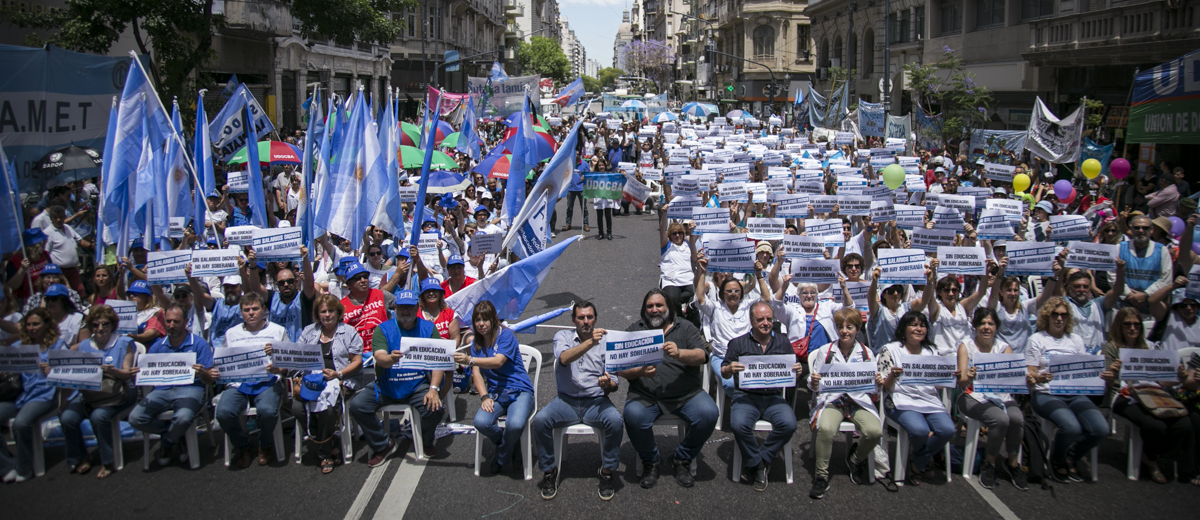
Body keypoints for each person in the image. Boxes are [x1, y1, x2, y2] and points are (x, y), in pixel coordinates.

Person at [620, 289, 717, 489]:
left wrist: (680, 353)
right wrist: (639, 371)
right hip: (646, 395)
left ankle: (682, 458)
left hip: (686, 395)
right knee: (633, 416)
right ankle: (651, 460)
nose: (655, 310)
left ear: (668, 308)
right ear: (644, 309)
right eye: (650, 306)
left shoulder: (686, 327)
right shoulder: (634, 331)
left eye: (659, 305)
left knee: (708, 413)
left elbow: (701, 355)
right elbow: (620, 368)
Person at [532, 301, 622, 501]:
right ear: (573, 320)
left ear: (595, 319)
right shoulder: (562, 336)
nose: (586, 321)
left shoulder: (607, 342)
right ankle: (549, 471)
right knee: (541, 420)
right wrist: (590, 342)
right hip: (566, 402)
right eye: (581, 317)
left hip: (596, 401)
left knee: (616, 420)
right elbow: (563, 358)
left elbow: (615, 383)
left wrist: (607, 384)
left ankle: (607, 472)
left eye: (589, 317)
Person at [349, 289, 444, 467]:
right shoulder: (383, 329)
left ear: (418, 307)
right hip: (387, 385)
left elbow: (438, 362)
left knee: (436, 408)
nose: (406, 311)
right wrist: (390, 359)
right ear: (395, 308)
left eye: (410, 307)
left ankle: (426, 439)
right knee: (357, 406)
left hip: (417, 385)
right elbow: (379, 357)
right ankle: (383, 443)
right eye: (402, 307)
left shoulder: (429, 328)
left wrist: (433, 389)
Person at [1102, 306, 1194, 484]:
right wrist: (1113, 374)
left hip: (1154, 393)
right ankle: (1151, 462)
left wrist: (1179, 378)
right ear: (1119, 326)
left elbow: (1164, 381)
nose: (1132, 328)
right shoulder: (1111, 348)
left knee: (1184, 423)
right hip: (1125, 396)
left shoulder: (1151, 347)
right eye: (1127, 324)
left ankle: (1154, 455)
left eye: (1136, 324)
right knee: (1155, 426)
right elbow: (1106, 383)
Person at [1027, 296, 1111, 483]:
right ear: (1047, 316)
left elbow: (1085, 371)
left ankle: (1070, 456)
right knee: (1071, 427)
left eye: (1063, 315)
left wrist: (1102, 376)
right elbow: (1030, 372)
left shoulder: (1076, 341)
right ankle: (1057, 461)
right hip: (1045, 393)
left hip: (1074, 393)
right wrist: (1037, 377)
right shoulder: (1036, 339)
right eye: (1055, 314)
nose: (1059, 319)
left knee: (1101, 428)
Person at [721, 302, 800, 492]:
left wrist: (798, 370)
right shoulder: (738, 343)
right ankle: (759, 464)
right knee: (739, 425)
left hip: (773, 396)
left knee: (789, 424)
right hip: (746, 396)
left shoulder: (783, 341)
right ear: (751, 321)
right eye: (760, 319)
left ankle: (759, 461)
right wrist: (729, 369)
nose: (765, 323)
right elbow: (723, 371)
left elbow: (792, 370)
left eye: (769, 319)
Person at [807, 308, 883, 498]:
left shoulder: (867, 353)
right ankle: (821, 476)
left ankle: (855, 459)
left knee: (875, 431)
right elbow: (814, 382)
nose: (844, 331)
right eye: (840, 327)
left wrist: (878, 383)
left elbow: (873, 389)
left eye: (849, 327)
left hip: (857, 400)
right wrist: (813, 382)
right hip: (834, 400)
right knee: (825, 428)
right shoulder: (826, 351)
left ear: (858, 329)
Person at [451, 300, 534, 474]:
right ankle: (511, 444)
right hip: (496, 393)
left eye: (485, 319)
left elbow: (498, 361)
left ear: (494, 320)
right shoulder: (476, 344)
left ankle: (502, 455)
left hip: (519, 390)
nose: (481, 324)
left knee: (516, 424)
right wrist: (484, 396)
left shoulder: (506, 336)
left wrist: (470, 360)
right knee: (481, 422)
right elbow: (477, 373)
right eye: (477, 320)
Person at [128, 303, 215, 467]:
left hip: (191, 389)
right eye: (168, 321)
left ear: (186, 321)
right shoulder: (157, 346)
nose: (171, 325)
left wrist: (203, 373)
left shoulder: (199, 344)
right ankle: (175, 434)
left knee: (183, 417)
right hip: (162, 390)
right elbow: (148, 372)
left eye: (176, 321)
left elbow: (210, 379)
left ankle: (167, 442)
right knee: (135, 418)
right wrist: (139, 373)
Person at [59, 305, 138, 479]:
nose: (100, 328)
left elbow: (127, 374)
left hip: (118, 392)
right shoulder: (84, 345)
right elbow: (62, 358)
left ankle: (108, 460)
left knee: (98, 416)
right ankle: (79, 457)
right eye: (95, 325)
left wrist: (112, 371)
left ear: (112, 325)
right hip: (89, 394)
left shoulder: (124, 343)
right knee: (67, 417)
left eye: (105, 324)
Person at [955, 307, 1028, 490]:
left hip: (1001, 395)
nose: (986, 327)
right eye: (982, 323)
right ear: (975, 327)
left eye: (990, 324)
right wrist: (970, 376)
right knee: (1000, 419)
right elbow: (962, 382)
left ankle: (1012, 462)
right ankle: (990, 462)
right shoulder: (966, 346)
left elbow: (1012, 378)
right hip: (972, 396)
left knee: (1017, 418)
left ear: (996, 327)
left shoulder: (1004, 348)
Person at [213, 292, 289, 468]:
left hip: (267, 382)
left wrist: (277, 367)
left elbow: (288, 364)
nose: (251, 313)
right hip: (238, 384)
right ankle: (242, 445)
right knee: (223, 413)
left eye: (255, 309)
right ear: (241, 312)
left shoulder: (277, 331)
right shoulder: (231, 333)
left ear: (263, 309)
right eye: (246, 310)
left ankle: (265, 444)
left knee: (268, 411)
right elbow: (222, 364)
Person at [880, 310, 954, 486]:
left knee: (948, 429)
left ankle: (918, 459)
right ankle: (922, 462)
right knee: (919, 430)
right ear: (904, 328)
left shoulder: (931, 351)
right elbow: (887, 386)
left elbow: (937, 385)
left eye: (922, 325)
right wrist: (892, 375)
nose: (918, 329)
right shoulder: (890, 349)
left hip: (929, 400)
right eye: (913, 325)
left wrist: (949, 377)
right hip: (900, 400)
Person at [294, 294, 363, 473]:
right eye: (323, 311)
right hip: (312, 381)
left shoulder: (348, 332)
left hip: (341, 380)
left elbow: (357, 361)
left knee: (329, 409)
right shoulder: (309, 332)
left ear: (338, 312)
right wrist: (298, 377)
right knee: (297, 407)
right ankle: (329, 442)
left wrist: (338, 373)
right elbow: (298, 359)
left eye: (331, 311)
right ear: (317, 314)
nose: (327, 315)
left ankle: (324, 453)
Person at [0, 309, 66, 483]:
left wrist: (53, 371)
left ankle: (25, 468)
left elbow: (69, 372)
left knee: (21, 423)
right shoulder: (19, 347)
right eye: (28, 324)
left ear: (47, 325)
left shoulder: (58, 345)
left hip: (44, 395)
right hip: (19, 394)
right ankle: (7, 466)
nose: (31, 328)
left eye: (35, 324)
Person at [695, 252, 770, 391]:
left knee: (759, 382)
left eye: (736, 291)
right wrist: (702, 272)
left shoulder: (748, 306)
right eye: (729, 291)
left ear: (741, 293)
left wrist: (759, 275)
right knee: (731, 384)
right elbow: (700, 298)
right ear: (722, 293)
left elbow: (766, 298)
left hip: (747, 357)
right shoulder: (715, 308)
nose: (733, 294)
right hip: (722, 357)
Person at [242, 248, 315, 342]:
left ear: (296, 281)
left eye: (289, 281)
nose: (286, 285)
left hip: (300, 350)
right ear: (276, 284)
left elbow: (309, 284)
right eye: (281, 283)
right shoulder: (272, 298)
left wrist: (305, 259)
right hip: (277, 350)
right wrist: (252, 265)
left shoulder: (303, 299)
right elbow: (256, 288)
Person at [1119, 215, 1172, 310]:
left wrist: (1146, 294)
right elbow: (1113, 275)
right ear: (1131, 229)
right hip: (1124, 304)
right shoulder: (1119, 248)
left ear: (1152, 230)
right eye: (1137, 228)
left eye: (1145, 228)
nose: (1141, 231)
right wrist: (1129, 294)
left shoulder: (1162, 250)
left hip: (1151, 307)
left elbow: (1166, 278)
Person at [340, 262, 394, 349]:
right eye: (357, 278)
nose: (363, 280)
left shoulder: (381, 295)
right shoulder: (342, 306)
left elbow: (404, 307)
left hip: (384, 348)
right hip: (357, 353)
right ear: (349, 284)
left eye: (365, 276)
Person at [188, 271, 244, 349]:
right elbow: (201, 296)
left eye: (233, 287)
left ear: (241, 288)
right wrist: (190, 278)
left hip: (238, 348)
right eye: (226, 287)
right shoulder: (217, 304)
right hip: (217, 350)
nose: (229, 290)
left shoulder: (245, 305)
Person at [1149, 277, 1200, 351]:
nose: (1188, 308)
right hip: (1167, 360)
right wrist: (1173, 286)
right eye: (1183, 305)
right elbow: (1152, 301)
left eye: (1193, 305)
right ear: (1177, 306)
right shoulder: (1168, 315)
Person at [658, 213, 695, 314]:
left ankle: (682, 310)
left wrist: (692, 231)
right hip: (671, 280)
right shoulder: (666, 244)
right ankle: (679, 316)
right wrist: (664, 214)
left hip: (687, 279)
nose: (677, 235)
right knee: (672, 298)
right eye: (674, 234)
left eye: (680, 233)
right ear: (669, 236)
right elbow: (662, 230)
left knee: (695, 293)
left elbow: (694, 258)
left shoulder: (687, 243)